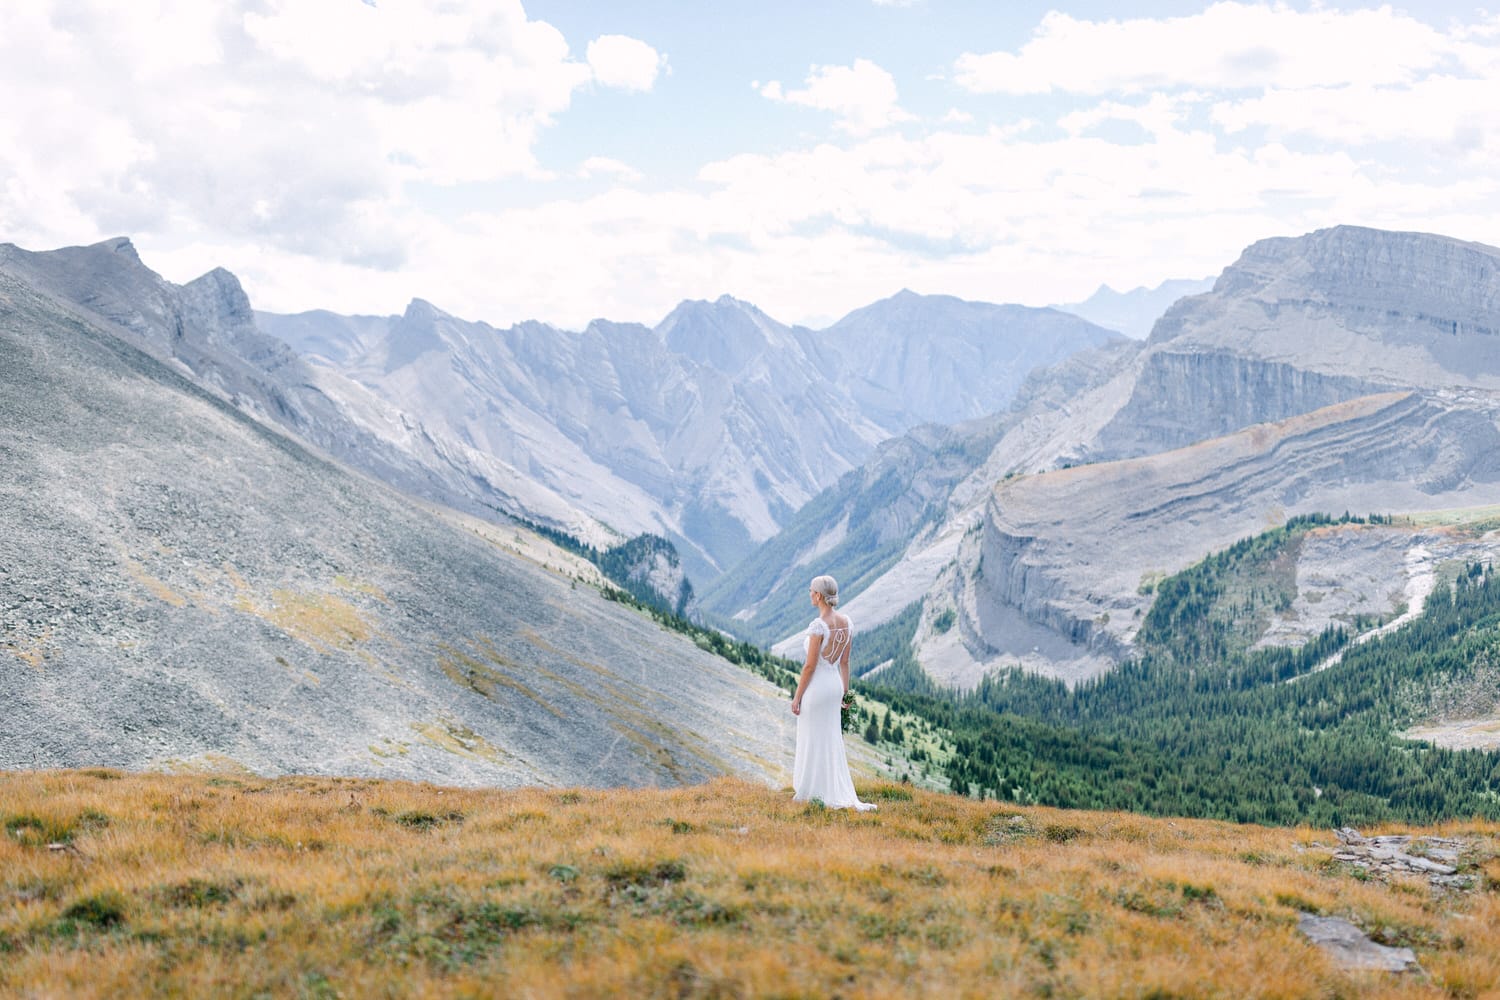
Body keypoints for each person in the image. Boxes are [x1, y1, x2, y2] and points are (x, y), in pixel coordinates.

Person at [790, 575, 876, 811]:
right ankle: (829, 787)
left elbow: (809, 666)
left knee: (813, 735)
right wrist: (844, 694)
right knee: (829, 737)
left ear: (818, 595)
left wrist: (797, 697)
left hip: (817, 687)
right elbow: (845, 662)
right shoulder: (847, 622)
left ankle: (812, 789)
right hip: (834, 686)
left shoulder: (818, 626)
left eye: (811, 591)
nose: (809, 594)